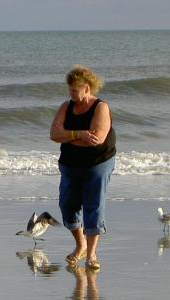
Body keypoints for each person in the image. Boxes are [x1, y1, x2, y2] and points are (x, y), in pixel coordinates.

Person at [50, 65, 116, 270]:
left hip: (98, 162)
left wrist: (68, 135)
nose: (71, 94)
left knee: (93, 205)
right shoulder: (66, 107)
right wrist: (78, 135)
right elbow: (54, 135)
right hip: (70, 164)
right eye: (69, 90)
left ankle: (92, 254)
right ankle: (81, 245)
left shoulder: (100, 107)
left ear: (86, 88)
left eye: (74, 90)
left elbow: (97, 139)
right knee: (67, 205)